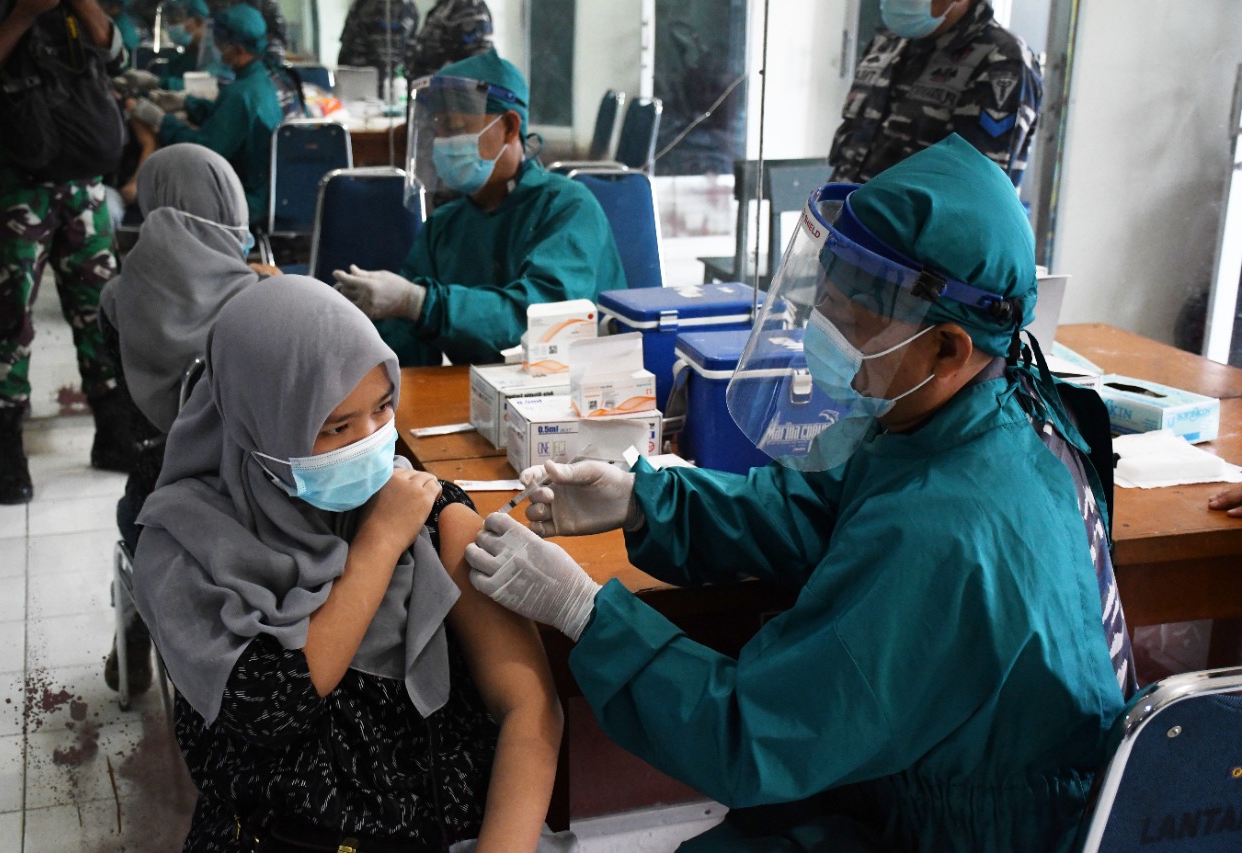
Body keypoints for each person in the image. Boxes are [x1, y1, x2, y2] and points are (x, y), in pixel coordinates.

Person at [465, 136, 1130, 852]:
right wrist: (646, 498)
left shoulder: (946, 531)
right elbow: (823, 507)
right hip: (922, 774)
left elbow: (750, 734)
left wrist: (583, 611)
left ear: (948, 347)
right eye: (827, 305)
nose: (825, 335)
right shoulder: (986, 410)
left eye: (856, 322)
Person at [132, 276, 563, 851]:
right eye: (335, 427)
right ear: (259, 422)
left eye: (383, 408)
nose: (370, 443)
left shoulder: (429, 512)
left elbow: (529, 707)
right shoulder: (184, 543)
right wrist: (378, 544)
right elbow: (271, 707)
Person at [98, 143, 273, 695]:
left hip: (153, 506)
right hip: (253, 511)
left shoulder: (115, 301)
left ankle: (139, 609)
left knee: (136, 517)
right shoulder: (260, 302)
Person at [332, 49, 626, 367]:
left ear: (510, 127)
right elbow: (407, 346)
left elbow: (542, 324)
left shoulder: (567, 208)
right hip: (479, 388)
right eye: (438, 130)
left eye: (456, 128)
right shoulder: (445, 226)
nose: (442, 143)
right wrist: (363, 326)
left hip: (574, 385)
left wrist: (416, 302)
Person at [0, 0, 135, 505]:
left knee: (100, 308)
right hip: (7, 182)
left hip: (81, 178)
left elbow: (119, 57)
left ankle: (113, 432)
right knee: (7, 314)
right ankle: (6, 452)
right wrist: (22, 16)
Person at [829, 0, 1042, 188]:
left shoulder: (1002, 61)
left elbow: (976, 192)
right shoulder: (887, 43)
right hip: (842, 216)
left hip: (910, 222)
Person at [128, 3, 281, 222]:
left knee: (161, 199)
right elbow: (226, 117)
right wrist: (186, 103)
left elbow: (205, 150)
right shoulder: (259, 81)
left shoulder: (241, 94)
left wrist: (162, 121)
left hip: (243, 199)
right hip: (258, 191)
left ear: (239, 50)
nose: (216, 48)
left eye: (221, 43)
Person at [338, 0, 419, 89]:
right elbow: (347, 46)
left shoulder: (409, 8)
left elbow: (411, 49)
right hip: (363, 78)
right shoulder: (364, 5)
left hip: (394, 82)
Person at [406, 0, 492, 81]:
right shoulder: (443, 7)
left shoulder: (469, 6)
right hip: (430, 85)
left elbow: (478, 59)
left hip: (452, 86)